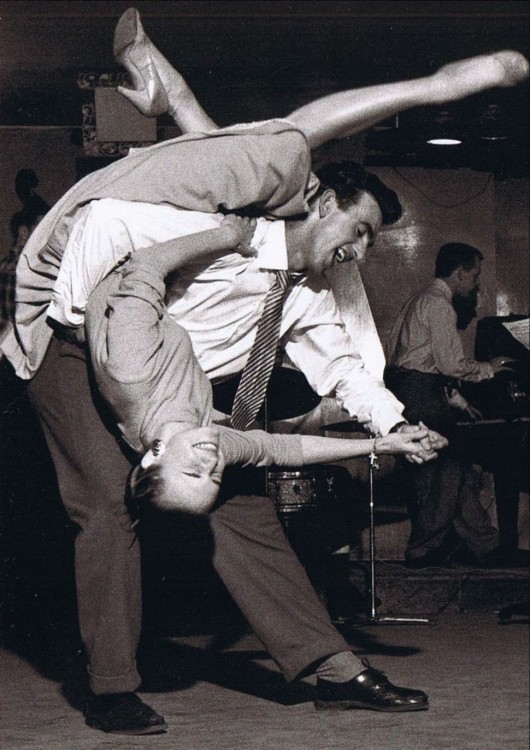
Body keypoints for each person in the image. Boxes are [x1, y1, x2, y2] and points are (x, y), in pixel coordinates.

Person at [1, 7, 527, 735]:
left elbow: (340, 364)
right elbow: (105, 228)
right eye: (360, 232)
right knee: (106, 503)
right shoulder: (219, 222)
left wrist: (392, 424)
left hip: (169, 377)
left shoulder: (310, 287)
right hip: (76, 333)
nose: (361, 251)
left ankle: (331, 668)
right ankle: (112, 684)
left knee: (241, 500)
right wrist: (112, 347)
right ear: (318, 205)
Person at [84, 210, 443, 515]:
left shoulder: (132, 372)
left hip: (101, 297)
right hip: (124, 305)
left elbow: (144, 263)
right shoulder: (202, 442)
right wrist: (382, 445)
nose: (210, 465)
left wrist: (226, 235)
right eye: (213, 477)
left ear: (153, 457)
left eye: (193, 473)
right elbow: (283, 450)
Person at [384, 242, 521, 569]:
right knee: (444, 471)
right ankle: (421, 549)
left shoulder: (416, 301)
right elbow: (451, 365)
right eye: (474, 275)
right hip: (421, 394)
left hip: (409, 391)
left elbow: (407, 359)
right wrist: (491, 368)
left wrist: (453, 399)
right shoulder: (440, 306)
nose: (476, 284)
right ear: (460, 273)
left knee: (452, 470)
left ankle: (486, 545)